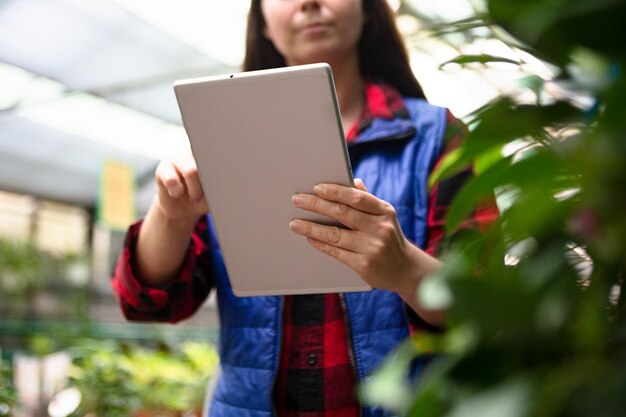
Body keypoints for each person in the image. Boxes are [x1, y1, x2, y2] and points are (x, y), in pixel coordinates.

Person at [111, 0, 496, 416]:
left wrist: (404, 268)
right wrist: (173, 214)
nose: (310, 3)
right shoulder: (227, 138)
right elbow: (148, 300)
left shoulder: (438, 138)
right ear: (263, 24)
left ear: (368, 10)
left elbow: (490, 312)